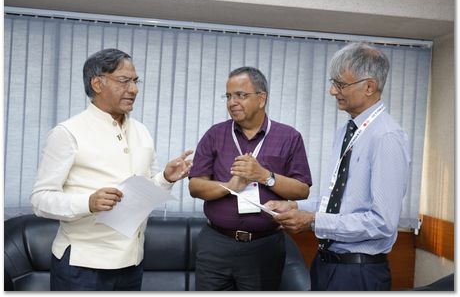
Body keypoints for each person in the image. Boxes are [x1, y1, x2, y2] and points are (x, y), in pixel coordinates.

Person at [30, 48, 193, 291]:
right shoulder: (68, 132)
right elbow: (40, 200)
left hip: (132, 262)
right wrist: (89, 202)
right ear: (97, 84)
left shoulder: (142, 131)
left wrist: (166, 178)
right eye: (124, 81)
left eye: (135, 81)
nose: (134, 89)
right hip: (81, 266)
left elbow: (145, 189)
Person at [265, 42, 410, 291]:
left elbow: (382, 222)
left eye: (341, 84)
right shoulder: (347, 130)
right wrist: (293, 206)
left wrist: (312, 221)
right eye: (333, 82)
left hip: (359, 273)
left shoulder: (386, 137)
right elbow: (338, 203)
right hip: (326, 265)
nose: (333, 91)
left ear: (369, 87)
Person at [188, 66, 312, 291]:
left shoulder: (289, 137)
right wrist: (229, 186)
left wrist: (265, 176)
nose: (232, 102)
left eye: (241, 95)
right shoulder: (215, 135)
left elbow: (302, 189)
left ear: (261, 98)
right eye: (228, 96)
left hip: (264, 246)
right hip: (216, 243)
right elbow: (195, 186)